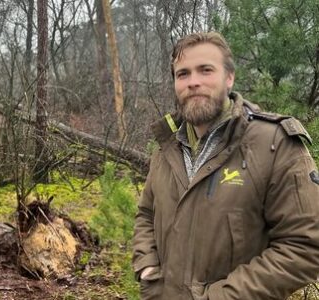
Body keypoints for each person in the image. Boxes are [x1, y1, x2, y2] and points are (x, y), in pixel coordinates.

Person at [132, 31, 319, 300]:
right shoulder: (168, 145)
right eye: (183, 74)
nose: (193, 82)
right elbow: (146, 214)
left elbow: (304, 247)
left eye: (205, 70)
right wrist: (147, 268)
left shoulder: (274, 143)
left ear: (229, 78)